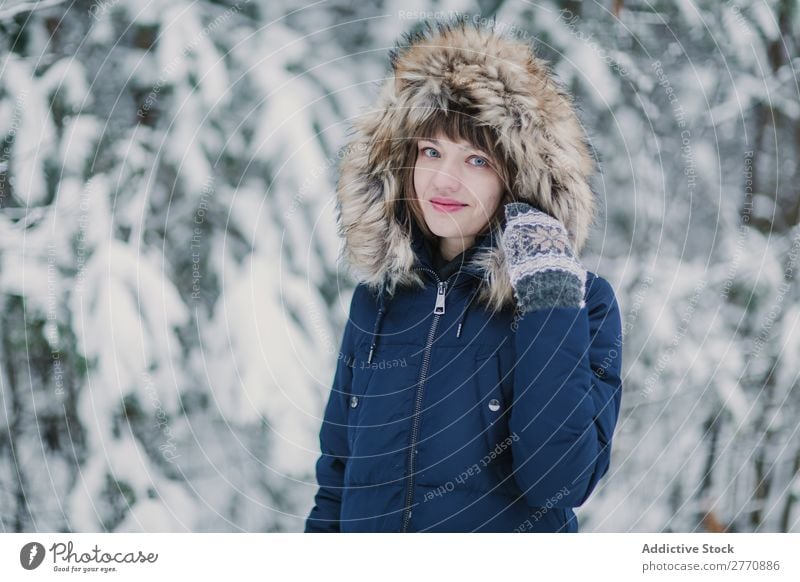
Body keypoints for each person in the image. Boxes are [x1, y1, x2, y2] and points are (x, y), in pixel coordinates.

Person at [305, 17, 623, 533]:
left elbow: (560, 482)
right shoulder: (379, 300)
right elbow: (337, 482)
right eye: (431, 151)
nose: (444, 180)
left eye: (477, 159)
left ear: (518, 176)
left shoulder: (581, 302)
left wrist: (547, 296)